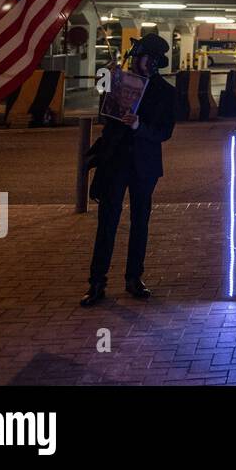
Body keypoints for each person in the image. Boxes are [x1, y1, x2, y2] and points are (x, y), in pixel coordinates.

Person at [81, 33, 177, 306]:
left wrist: (139, 126)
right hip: (116, 161)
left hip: (144, 165)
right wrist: (110, 88)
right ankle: (97, 282)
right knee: (107, 222)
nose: (136, 61)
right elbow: (106, 116)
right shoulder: (120, 81)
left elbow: (165, 132)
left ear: (155, 61)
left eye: (142, 57)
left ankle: (134, 277)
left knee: (140, 223)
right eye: (135, 56)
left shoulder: (165, 92)